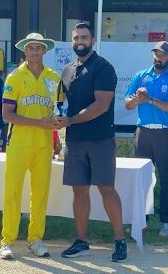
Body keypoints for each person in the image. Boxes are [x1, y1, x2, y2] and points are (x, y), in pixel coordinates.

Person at [56, 23, 127, 262]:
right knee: (79, 190)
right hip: (75, 139)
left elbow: (101, 105)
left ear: (93, 40)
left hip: (100, 138)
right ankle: (81, 241)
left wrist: (71, 120)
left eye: (84, 37)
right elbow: (60, 104)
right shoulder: (66, 70)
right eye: (76, 37)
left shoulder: (103, 67)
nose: (79, 41)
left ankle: (119, 241)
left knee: (106, 188)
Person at [0, 33, 60, 260]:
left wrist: (58, 128)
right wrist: (38, 123)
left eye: (38, 48)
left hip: (44, 143)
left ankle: (35, 239)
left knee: (40, 193)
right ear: (24, 51)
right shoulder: (15, 77)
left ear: (44, 51)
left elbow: (58, 111)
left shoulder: (54, 77)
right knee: (12, 191)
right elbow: (7, 115)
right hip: (19, 142)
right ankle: (7, 240)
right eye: (30, 48)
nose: (34, 51)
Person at [124, 41, 168, 237]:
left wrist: (150, 99)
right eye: (155, 54)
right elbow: (127, 104)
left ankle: (166, 221)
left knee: (166, 178)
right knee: (142, 178)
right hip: (143, 132)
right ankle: (141, 221)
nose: (157, 58)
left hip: (165, 132)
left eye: (162, 55)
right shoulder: (141, 76)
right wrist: (136, 99)